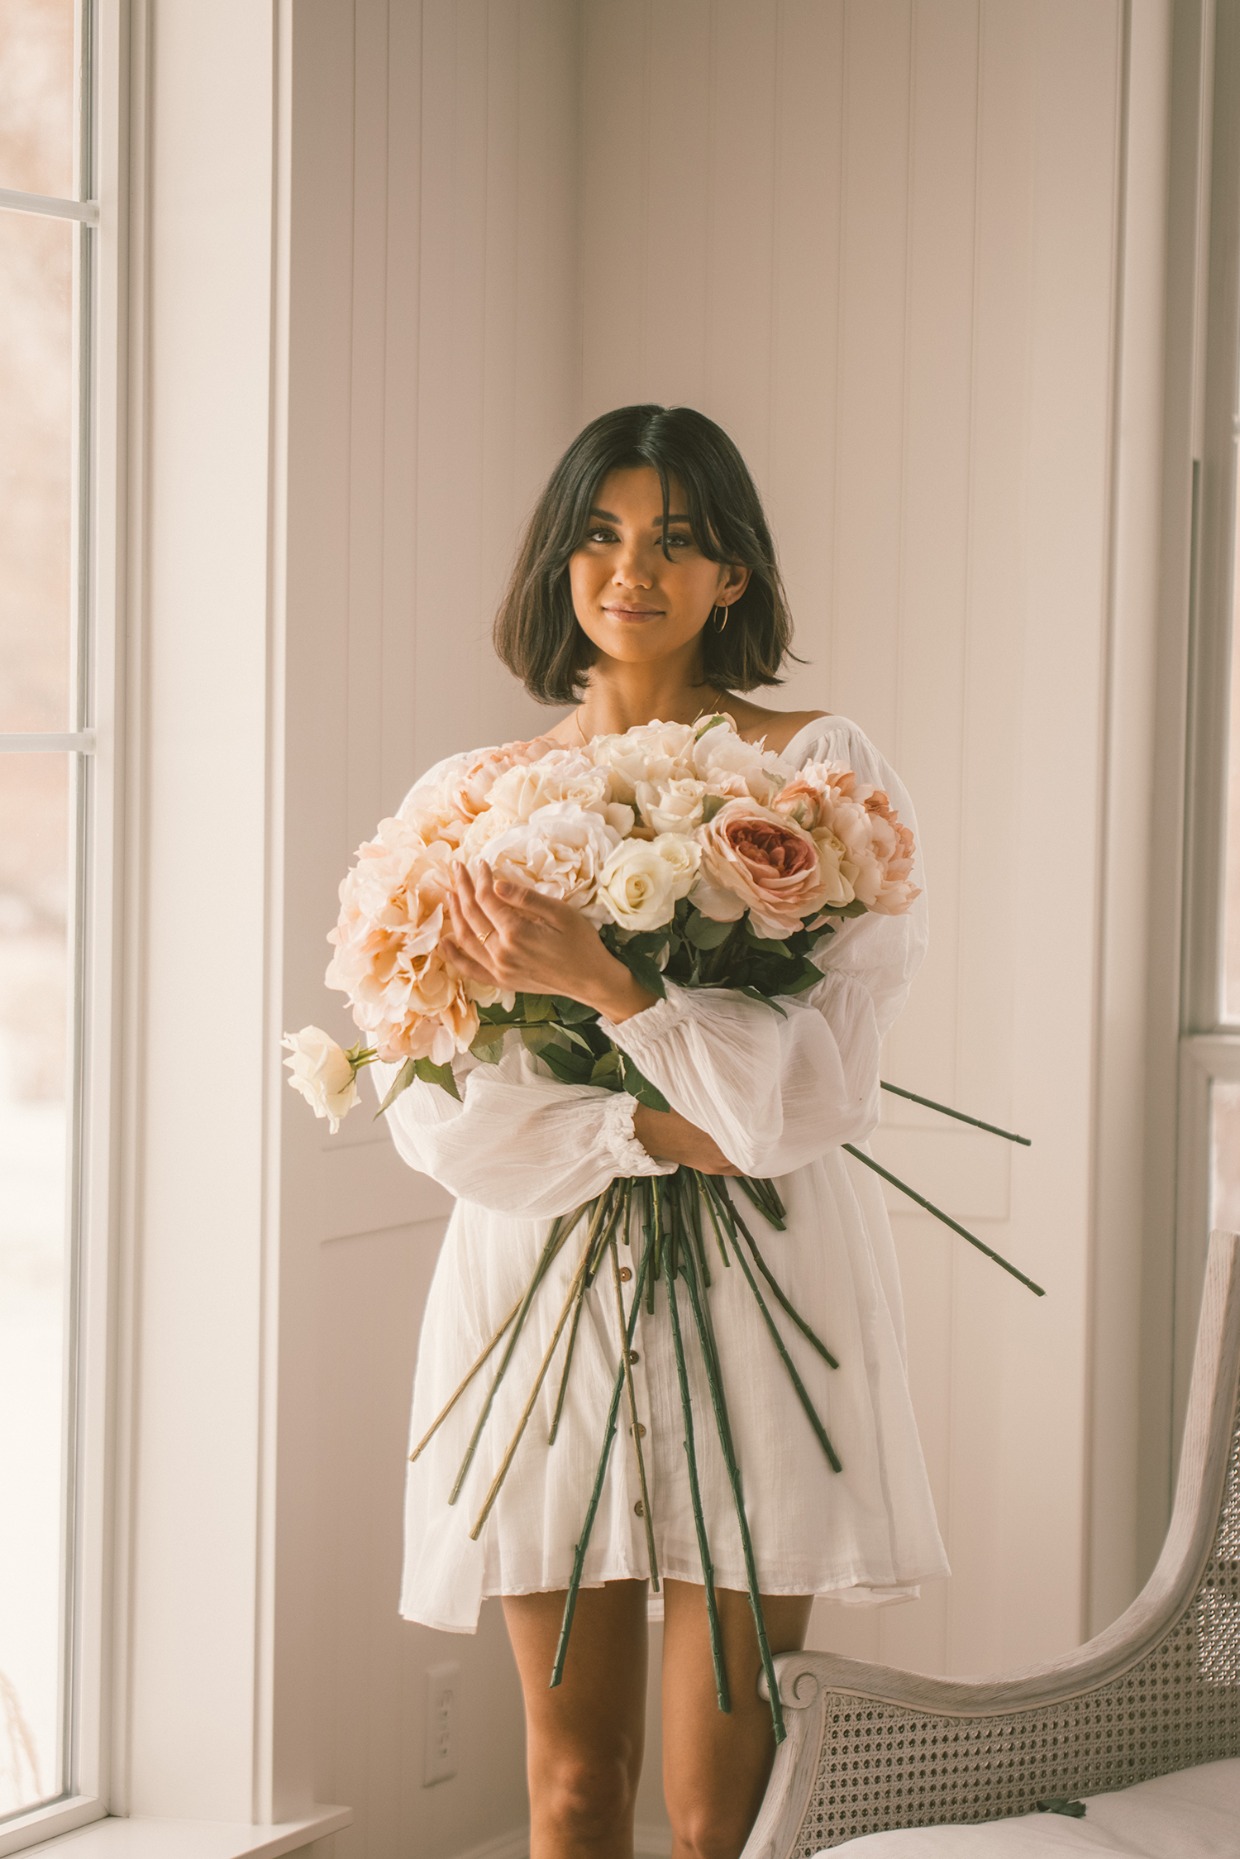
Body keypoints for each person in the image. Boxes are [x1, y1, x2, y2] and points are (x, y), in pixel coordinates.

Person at [371, 404, 948, 1859]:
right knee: (568, 1787)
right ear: (560, 557)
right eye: (603, 532)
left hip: (768, 1329)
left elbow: (814, 1093)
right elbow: (444, 1122)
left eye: (679, 541)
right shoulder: (466, 801)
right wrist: (658, 1133)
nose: (635, 569)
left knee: (725, 1808)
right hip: (533, 1311)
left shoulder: (812, 779)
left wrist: (613, 984)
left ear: (735, 574)